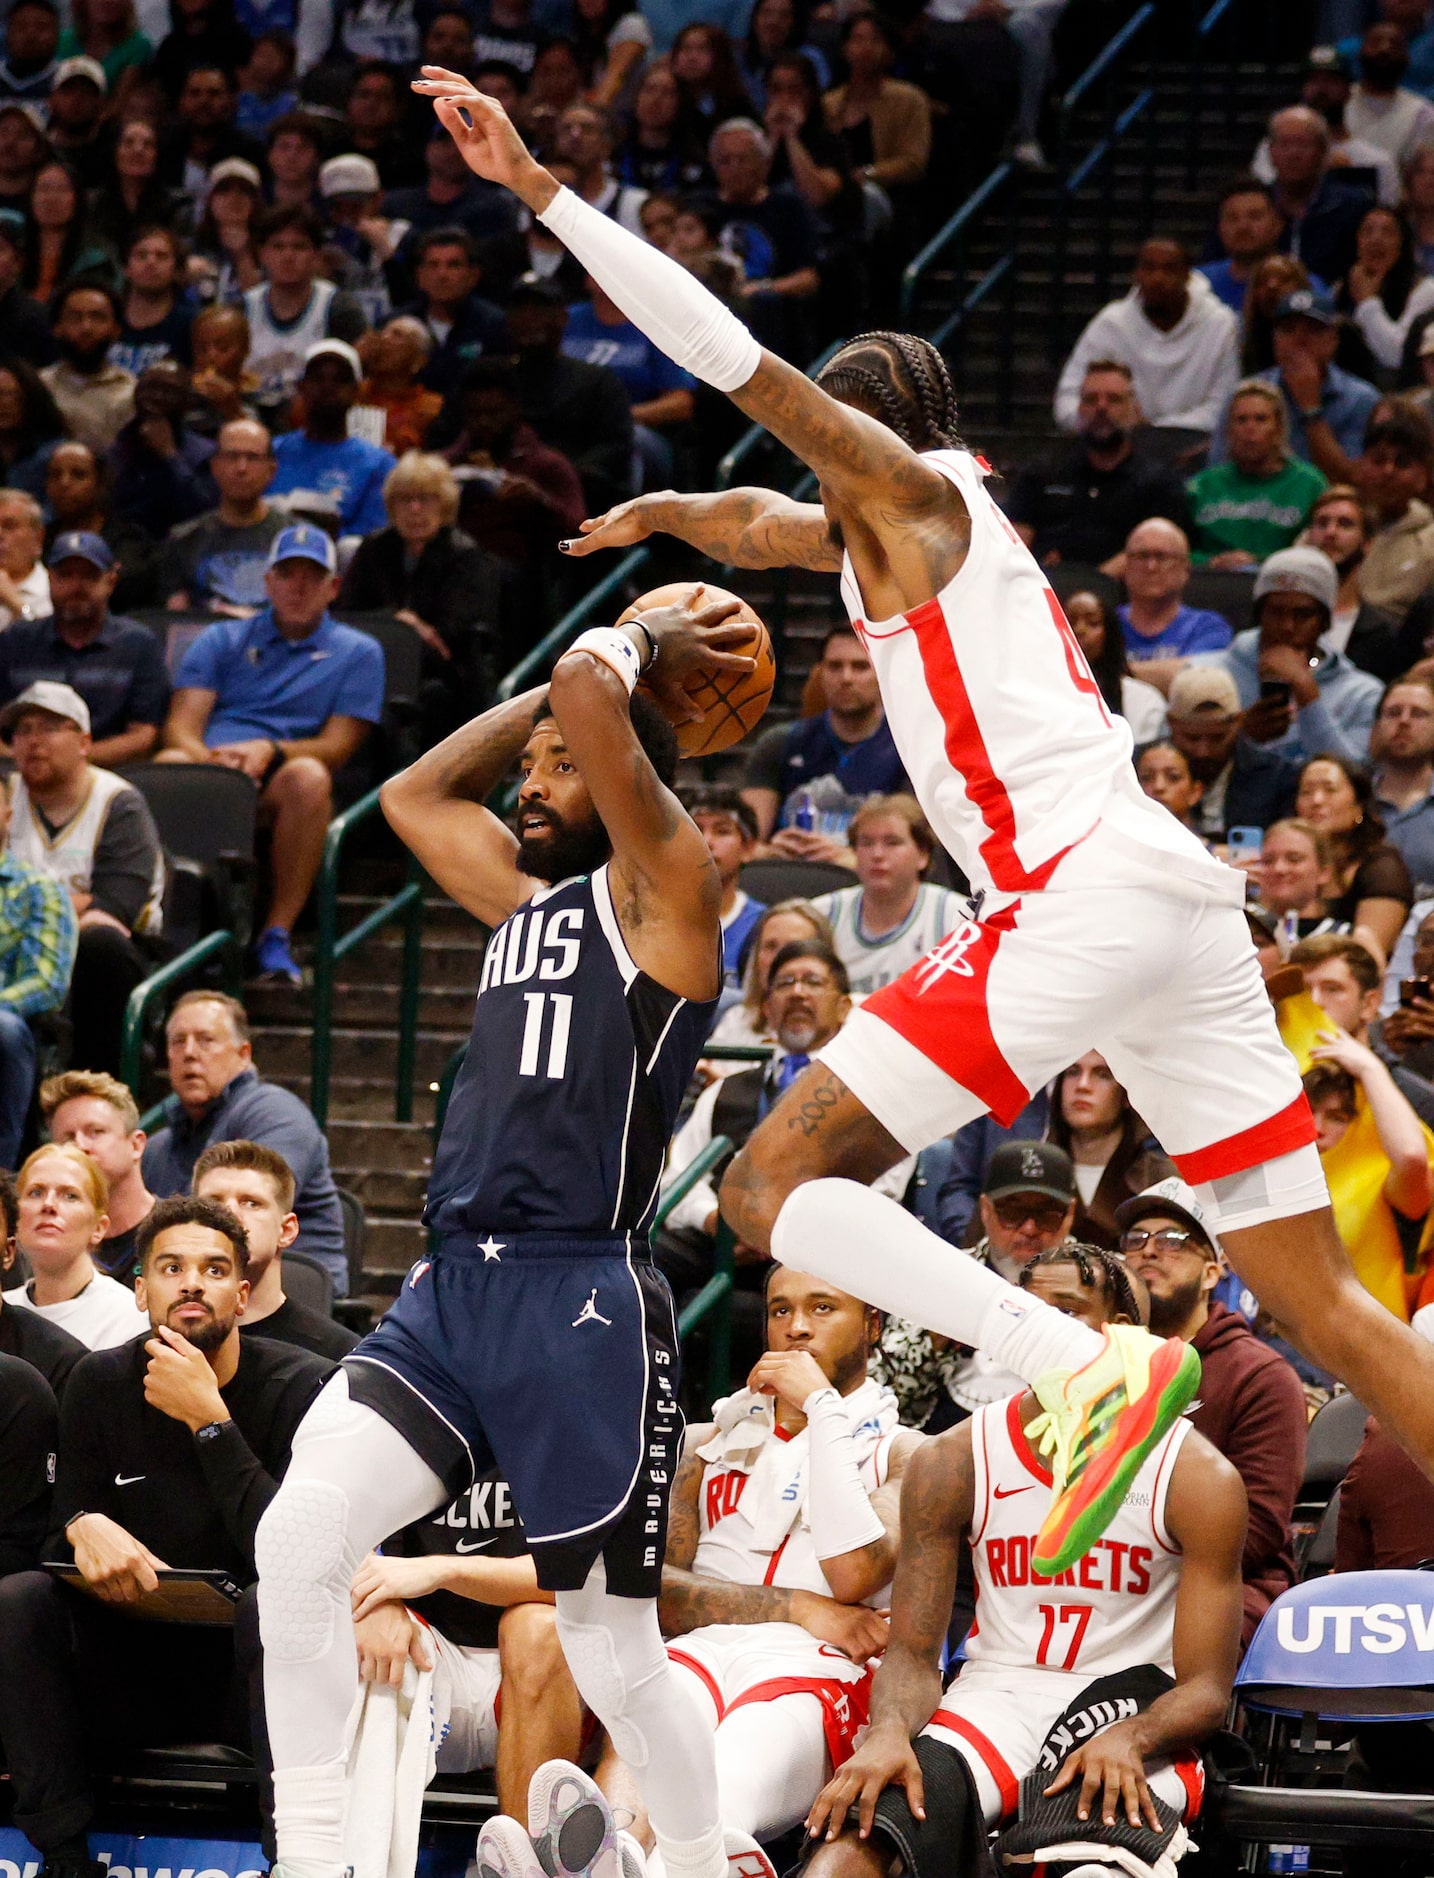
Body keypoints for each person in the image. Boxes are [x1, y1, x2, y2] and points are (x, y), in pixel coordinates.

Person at [449, 79, 1434, 1564]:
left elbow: (731, 359)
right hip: (1168, 901)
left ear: (867, 435)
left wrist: (542, 190)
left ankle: (1079, 1364)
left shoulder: (912, 498)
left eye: (826, 439)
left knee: (766, 1186)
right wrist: (663, 524)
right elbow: (753, 519)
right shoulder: (887, 540)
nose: (810, 469)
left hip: (1077, 888)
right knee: (1323, 1303)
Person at [255, 592, 768, 1878]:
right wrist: (543, 713)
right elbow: (414, 802)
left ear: (620, 774)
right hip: (453, 1285)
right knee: (300, 1540)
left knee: (612, 1651)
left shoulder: (668, 896)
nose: (530, 786)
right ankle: (311, 1860)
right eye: (530, 769)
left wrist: (625, 649)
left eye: (555, 773)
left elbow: (599, 710)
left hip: (581, 1293)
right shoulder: (521, 903)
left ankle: (703, 1860)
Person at [803, 1241, 1246, 1878]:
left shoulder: (1197, 1475)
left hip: (1127, 1707)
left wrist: (1135, 1737)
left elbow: (1206, 1690)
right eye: (1025, 1313)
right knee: (851, 1844)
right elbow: (910, 1653)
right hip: (993, 1702)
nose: (1038, 1331)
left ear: (1119, 1333)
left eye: (1064, 1311)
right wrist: (889, 1730)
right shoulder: (953, 1458)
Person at [0, 1192, 331, 1878]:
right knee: (19, 1601)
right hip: (130, 1668)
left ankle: (291, 1859)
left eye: (213, 1270)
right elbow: (58, 1536)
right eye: (171, 1267)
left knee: (270, 1605)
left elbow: (298, 1555)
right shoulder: (98, 1382)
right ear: (139, 1288)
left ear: (242, 1295)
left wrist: (210, 1423)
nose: (190, 1283)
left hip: (248, 1680)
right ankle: (62, 1856)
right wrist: (81, 1525)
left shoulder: (302, 1387)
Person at [593, 1263, 920, 1853]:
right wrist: (798, 1605)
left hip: (818, 1669)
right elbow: (656, 1593)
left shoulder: (907, 1454)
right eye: (780, 1309)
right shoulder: (706, 1442)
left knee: (712, 1801)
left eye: (823, 1308)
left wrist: (824, 1410)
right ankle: (598, 1856)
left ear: (872, 1325)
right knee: (639, 1771)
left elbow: (855, 1574)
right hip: (695, 1652)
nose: (796, 1328)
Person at [159, 524, 385, 987]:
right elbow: (181, 727)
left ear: (333, 587)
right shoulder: (222, 639)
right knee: (165, 768)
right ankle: (161, 930)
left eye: (312, 575)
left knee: (310, 776)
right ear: (267, 583)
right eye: (286, 573)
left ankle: (275, 934)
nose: (298, 586)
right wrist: (210, 762)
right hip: (214, 765)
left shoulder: (360, 652)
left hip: (282, 771)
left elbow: (338, 747)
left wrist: (270, 748)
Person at [1116, 1177, 1305, 1645]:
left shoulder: (1261, 1375)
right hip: (1109, 1580)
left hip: (1224, 1589)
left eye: (1174, 1240)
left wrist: (1121, 1554)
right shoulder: (1097, 1363)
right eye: (1136, 1239)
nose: (1149, 1251)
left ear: (1211, 1274)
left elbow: (1257, 1533)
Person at [4, 679, 165, 1077]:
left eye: (50, 728)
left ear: (85, 742)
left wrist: (29, 911)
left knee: (100, 940)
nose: (33, 742)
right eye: (23, 731)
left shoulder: (119, 804)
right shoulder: (6, 798)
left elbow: (114, 904)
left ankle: (97, 1086)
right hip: (17, 947)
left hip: (107, 952)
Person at [143, 990, 346, 1285]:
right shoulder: (157, 1147)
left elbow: (243, 1221)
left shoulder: (276, 1113)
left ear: (243, 1054)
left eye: (205, 1040)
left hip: (292, 1295)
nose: (189, 1052)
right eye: (178, 1041)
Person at [884, 1139, 1078, 1431]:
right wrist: (935, 1340)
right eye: (1012, 1213)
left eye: (1046, 1214)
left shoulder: (1099, 1284)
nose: (1029, 1228)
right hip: (946, 1439)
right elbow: (889, 1395)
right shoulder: (943, 1275)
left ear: (1070, 1214)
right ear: (986, 1210)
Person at [337, 449, 505, 729]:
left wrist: (405, 627)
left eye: (425, 499)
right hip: (377, 657)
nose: (414, 509)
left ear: (445, 505)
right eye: (405, 500)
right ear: (391, 506)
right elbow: (348, 612)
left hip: (445, 672)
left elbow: (454, 630)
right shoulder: (374, 549)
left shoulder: (466, 556)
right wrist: (399, 620)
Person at [0, 531, 169, 767]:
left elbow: (144, 736)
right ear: (50, 579)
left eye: (89, 576)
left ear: (111, 581)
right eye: (65, 575)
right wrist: (26, 760)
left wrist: (68, 760)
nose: (75, 586)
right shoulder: (16, 640)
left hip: (110, 774)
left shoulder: (139, 644)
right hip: (22, 772)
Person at [1005, 360, 1192, 572]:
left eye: (1114, 400)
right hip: (1047, 589)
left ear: (1136, 411)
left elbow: (1158, 549)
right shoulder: (1040, 473)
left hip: (1125, 594)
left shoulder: (1161, 482)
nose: (1101, 407)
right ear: (1079, 409)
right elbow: (1014, 544)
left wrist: (1094, 583)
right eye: (1091, 399)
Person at [740, 624, 906, 857]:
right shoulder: (779, 743)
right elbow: (745, 844)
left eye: (860, 667)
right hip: (790, 878)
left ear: (881, 673)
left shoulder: (906, 749)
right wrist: (768, 853)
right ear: (820, 674)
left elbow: (917, 847)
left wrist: (853, 860)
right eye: (835, 666)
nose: (846, 678)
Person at [1208, 544, 1383, 764]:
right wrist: (1242, 735)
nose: (1287, 626)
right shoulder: (1212, 675)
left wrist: (1305, 689)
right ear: (1259, 614)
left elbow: (1358, 777)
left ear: (1324, 621)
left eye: (1303, 614)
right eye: (1276, 611)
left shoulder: (1362, 694)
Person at [1303, 1029, 1434, 1320]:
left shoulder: (1386, 1185)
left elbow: (1412, 1157)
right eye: (1308, 1111)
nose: (1316, 1127)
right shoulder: (1281, 1176)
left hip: (1365, 1354)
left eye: (1337, 1117)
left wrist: (1370, 1068)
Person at [1053, 237, 1240, 437]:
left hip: (1192, 445)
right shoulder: (1111, 323)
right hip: (1117, 440)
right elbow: (1067, 400)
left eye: (1168, 269)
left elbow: (1223, 407)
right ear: (1136, 274)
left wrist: (1152, 430)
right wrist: (1107, 420)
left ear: (1188, 275)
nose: (1157, 278)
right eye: (1149, 268)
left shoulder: (1220, 323)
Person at [193, 1139, 357, 1359]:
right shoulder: (158, 1346)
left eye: (251, 1203)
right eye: (213, 1202)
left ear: (286, 1230)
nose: (229, 1214)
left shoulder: (339, 1354)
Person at [439, 357, 588, 580]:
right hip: (447, 570)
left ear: (515, 409)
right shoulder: (444, 465)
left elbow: (581, 534)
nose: (484, 422)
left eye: (493, 413)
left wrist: (539, 501)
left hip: (520, 580)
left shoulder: (547, 464)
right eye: (475, 414)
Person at [811, 795, 966, 995]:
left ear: (923, 855)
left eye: (892, 843)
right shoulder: (822, 916)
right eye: (866, 843)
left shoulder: (956, 917)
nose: (877, 854)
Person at [700, 116, 820, 359]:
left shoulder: (788, 207)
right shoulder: (700, 207)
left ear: (764, 162)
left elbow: (809, 279)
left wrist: (761, 288)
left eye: (743, 159)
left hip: (770, 318)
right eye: (725, 161)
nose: (734, 168)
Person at [0, 783, 75, 1168]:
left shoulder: (37, 888)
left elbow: (46, 982)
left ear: (8, 814)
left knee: (3, 1028)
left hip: (5, 1022)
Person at [7, 1143, 148, 1348]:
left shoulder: (129, 1318)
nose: (49, 1205)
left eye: (70, 1195)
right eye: (36, 1192)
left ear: (99, 1227)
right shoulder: (4, 1307)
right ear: (15, 1220)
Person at [1236, 284, 1380, 483]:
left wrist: (1311, 409)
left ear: (1333, 340)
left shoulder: (1363, 399)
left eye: (1313, 330)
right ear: (1275, 339)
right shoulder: (1246, 394)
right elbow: (1221, 471)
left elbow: (1355, 481)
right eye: (1288, 330)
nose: (1299, 340)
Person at [1293, 930, 1434, 1131]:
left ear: (1369, 1004)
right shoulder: (1272, 1079)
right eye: (1303, 990)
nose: (1315, 1001)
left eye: (1332, 988)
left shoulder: (1416, 1100)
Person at [243, 206, 368, 422]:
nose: (288, 256)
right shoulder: (242, 309)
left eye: (299, 247)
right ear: (262, 254)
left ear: (316, 255)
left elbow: (354, 383)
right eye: (278, 246)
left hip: (318, 423)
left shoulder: (340, 310)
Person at [1187, 377, 1327, 568]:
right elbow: (1178, 551)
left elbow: (1321, 551)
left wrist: (1261, 562)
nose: (1250, 429)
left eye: (1261, 419)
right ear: (1229, 431)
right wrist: (1212, 562)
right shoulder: (1201, 486)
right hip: (1212, 585)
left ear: (1278, 428)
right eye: (1241, 420)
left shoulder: (1311, 485)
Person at [267, 341, 396, 546]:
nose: (328, 387)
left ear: (357, 391)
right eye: (317, 378)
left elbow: (370, 540)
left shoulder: (379, 465)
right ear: (301, 387)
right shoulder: (271, 451)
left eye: (340, 380)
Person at [1047, 1051, 1171, 1250]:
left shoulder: (1163, 1180)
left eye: (1103, 1074)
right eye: (1072, 1072)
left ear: (1127, 1094)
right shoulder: (1029, 1172)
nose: (1083, 1085)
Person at [41, 1069, 155, 1284]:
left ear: (136, 1145)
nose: (81, 1146)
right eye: (67, 1139)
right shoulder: (44, 1241)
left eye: (95, 1132)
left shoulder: (175, 1232)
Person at [1164, 664, 1300, 843]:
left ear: (1238, 722)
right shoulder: (1135, 769)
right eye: (1192, 738)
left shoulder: (1277, 777)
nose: (1203, 751)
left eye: (1217, 738)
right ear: (1171, 723)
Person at [162, 417, 285, 615]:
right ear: (215, 466)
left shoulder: (294, 536)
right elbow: (174, 616)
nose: (241, 468)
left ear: (271, 471)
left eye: (252, 457)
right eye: (231, 457)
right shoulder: (184, 539)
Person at [1296, 751, 1414, 957]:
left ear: (1359, 805)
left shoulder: (1383, 867)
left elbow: (1366, 957)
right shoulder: (1288, 863)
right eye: (1306, 792)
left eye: (1330, 790)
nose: (1316, 800)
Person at [107, 360, 218, 545]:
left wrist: (169, 454)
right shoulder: (120, 447)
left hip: (185, 548)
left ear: (187, 400)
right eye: (149, 388)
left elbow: (205, 515)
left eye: (168, 391)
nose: (156, 397)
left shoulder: (205, 453)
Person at [705, 897, 835, 1054]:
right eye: (770, 946)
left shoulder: (852, 1023)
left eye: (793, 948)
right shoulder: (737, 1020)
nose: (779, 958)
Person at [1304, 481, 1406, 680]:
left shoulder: (1385, 632)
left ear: (1367, 542)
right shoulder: (1279, 619)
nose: (1330, 532)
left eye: (1345, 524)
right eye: (1322, 523)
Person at [396, 225, 509, 400]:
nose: (442, 274)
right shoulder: (396, 325)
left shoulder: (495, 326)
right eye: (433, 265)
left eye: (453, 265)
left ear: (473, 275)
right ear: (419, 275)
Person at [1266, 104, 1371, 285]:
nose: (1293, 154)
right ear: (1271, 152)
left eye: (1303, 144)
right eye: (1284, 144)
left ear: (1323, 150)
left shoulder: (1354, 207)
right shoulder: (1254, 206)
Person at [1115, 518, 1233, 668]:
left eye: (1161, 557)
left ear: (1185, 569)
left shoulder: (1209, 627)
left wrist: (1115, 674)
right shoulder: (1105, 626)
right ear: (1126, 566)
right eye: (1142, 556)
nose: (1151, 567)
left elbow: (1192, 676)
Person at [1353, 409, 1434, 622]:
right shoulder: (1334, 522)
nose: (1388, 471)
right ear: (1361, 466)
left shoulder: (1430, 539)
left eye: (1402, 463)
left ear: (1422, 476)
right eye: (1378, 461)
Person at [40, 279, 135, 457]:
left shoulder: (132, 392)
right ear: (57, 328)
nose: (86, 327)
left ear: (116, 329)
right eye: (75, 318)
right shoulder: (39, 387)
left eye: (98, 318)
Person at [680, 784, 763, 985]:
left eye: (722, 831)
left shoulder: (765, 927)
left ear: (748, 848)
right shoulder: (650, 919)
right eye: (695, 829)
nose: (706, 841)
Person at [1063, 587, 1166, 742]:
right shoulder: (1039, 693)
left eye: (1093, 622)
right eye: (1070, 622)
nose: (1079, 629)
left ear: (1111, 633)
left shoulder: (1144, 701)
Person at [1369, 673, 1434, 888]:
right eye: (1393, 713)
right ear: (1376, 727)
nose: (1404, 721)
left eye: (1418, 714)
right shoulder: (1351, 803)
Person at [110, 225, 193, 378]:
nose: (151, 263)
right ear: (126, 268)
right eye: (141, 255)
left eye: (161, 256)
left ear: (176, 270)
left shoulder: (191, 324)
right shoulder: (107, 318)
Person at [1199, 177, 1291, 314]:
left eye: (1255, 216)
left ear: (1278, 225)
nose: (1243, 227)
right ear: (1219, 228)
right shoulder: (1198, 284)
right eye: (1232, 218)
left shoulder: (1301, 285)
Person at [1348, 21, 1434, 164]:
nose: (1384, 49)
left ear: (1407, 57)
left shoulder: (1423, 114)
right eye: (1376, 43)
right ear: (1360, 52)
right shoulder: (1338, 102)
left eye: (1394, 45)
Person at [355, 316, 442, 456]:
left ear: (419, 360)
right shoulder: (351, 393)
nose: (384, 339)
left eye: (397, 335)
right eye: (382, 332)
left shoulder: (431, 407)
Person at [0, 486, 50, 626]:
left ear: (38, 538)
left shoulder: (53, 590)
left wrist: (17, 605)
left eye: (9, 526)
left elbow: (50, 644)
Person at [1137, 740, 1206, 833]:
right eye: (1146, 778)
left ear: (1195, 792)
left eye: (1173, 777)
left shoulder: (1212, 846)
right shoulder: (1115, 844)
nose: (1159, 787)